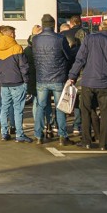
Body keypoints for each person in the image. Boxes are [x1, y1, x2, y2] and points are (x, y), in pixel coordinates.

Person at [67, 19, 107, 150]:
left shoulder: (89, 39)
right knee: (106, 114)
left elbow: (80, 59)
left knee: (86, 111)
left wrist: (72, 76)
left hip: (88, 81)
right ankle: (104, 144)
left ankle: (87, 141)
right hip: (106, 83)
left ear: (100, 27)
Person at [31, 14, 73, 146]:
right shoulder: (60, 38)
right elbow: (68, 56)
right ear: (53, 25)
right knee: (60, 107)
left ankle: (38, 135)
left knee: (40, 107)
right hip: (58, 77)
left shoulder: (36, 39)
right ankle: (62, 136)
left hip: (42, 78)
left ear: (43, 25)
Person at [0, 26, 31, 143]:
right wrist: (25, 80)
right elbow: (24, 67)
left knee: (4, 108)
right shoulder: (17, 48)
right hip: (17, 82)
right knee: (18, 109)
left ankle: (4, 133)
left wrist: (0, 78)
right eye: (13, 33)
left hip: (4, 83)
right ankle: (19, 134)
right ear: (10, 35)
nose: (15, 35)